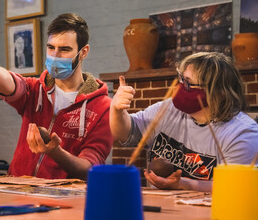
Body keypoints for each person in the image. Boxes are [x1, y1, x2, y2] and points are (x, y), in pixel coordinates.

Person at [0, 13, 113, 180]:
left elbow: (91, 168)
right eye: (51, 47)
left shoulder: (103, 107)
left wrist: (56, 153)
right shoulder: (36, 90)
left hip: (65, 199)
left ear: (83, 52)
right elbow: (11, 83)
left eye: (64, 49)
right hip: (19, 191)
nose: (55, 56)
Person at [110, 52, 258, 192]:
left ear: (218, 92)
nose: (179, 87)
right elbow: (125, 133)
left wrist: (182, 184)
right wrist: (117, 110)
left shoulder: (242, 133)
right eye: (181, 78)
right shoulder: (169, 109)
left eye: (188, 84)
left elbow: (238, 186)